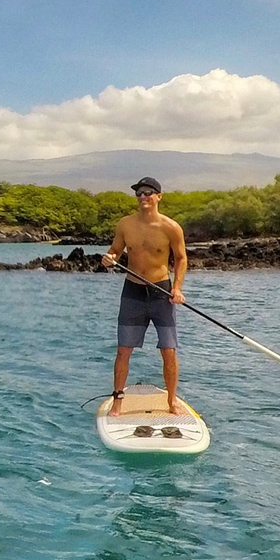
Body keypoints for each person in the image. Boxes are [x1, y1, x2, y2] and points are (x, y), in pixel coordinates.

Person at [101, 177, 188, 416]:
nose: (142, 197)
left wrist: (177, 288)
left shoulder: (171, 227)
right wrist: (109, 258)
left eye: (148, 192)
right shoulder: (125, 224)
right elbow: (115, 250)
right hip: (133, 292)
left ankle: (172, 401)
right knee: (123, 350)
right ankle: (118, 401)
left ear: (159, 196)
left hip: (161, 293)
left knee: (168, 350)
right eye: (139, 193)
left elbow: (181, 258)